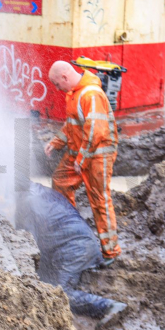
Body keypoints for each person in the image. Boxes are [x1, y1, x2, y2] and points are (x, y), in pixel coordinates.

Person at [16, 182, 128, 330]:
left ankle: (109, 306)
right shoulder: (34, 189)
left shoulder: (26, 203)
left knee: (58, 295)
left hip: (76, 250)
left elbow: (29, 247)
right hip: (77, 243)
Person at [44, 61, 121, 265]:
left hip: (97, 154)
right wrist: (57, 141)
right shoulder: (74, 94)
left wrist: (82, 158)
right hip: (81, 151)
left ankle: (110, 252)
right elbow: (72, 124)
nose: (57, 89)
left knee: (99, 200)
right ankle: (71, 231)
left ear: (65, 78)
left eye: (57, 84)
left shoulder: (90, 95)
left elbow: (97, 131)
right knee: (60, 180)